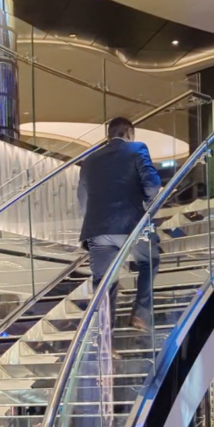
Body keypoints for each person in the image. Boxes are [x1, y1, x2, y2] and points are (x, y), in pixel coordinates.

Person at [78, 116, 161, 332]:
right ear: (129, 133)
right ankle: (141, 314)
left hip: (96, 231)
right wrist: (146, 201)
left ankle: (105, 344)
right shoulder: (136, 149)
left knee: (104, 284)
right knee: (149, 260)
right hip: (130, 226)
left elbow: (82, 198)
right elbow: (152, 186)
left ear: (108, 135)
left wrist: (96, 222)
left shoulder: (90, 160)